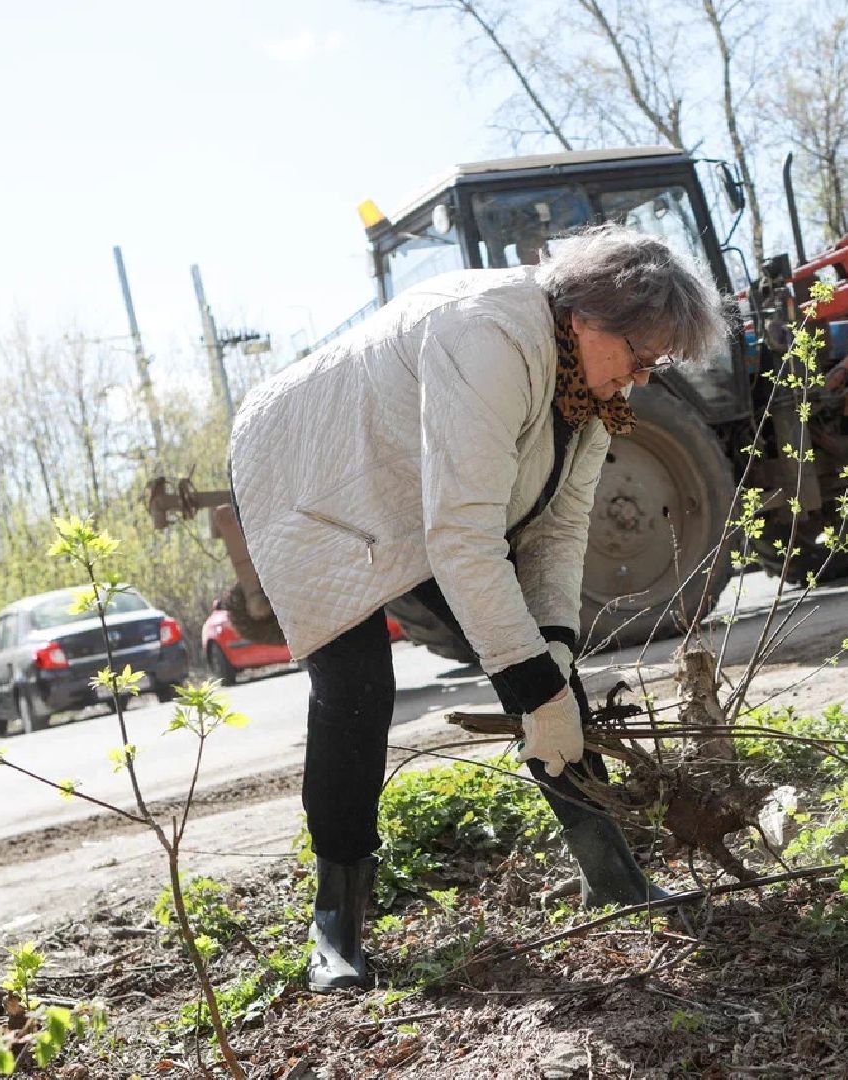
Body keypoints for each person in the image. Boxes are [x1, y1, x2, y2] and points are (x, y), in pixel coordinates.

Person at [230, 225, 728, 991]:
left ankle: (611, 871)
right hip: (306, 469)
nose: (638, 380)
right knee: (358, 686)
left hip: (419, 482)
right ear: (591, 319)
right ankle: (335, 925)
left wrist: (554, 652)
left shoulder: (590, 386)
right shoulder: (490, 332)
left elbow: (559, 529)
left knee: (534, 659)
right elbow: (463, 536)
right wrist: (534, 685)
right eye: (638, 357)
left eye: (653, 366)